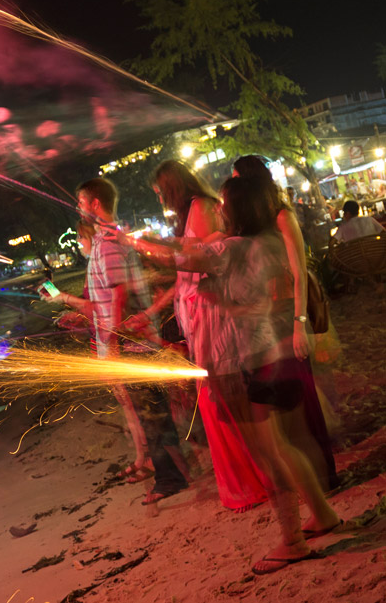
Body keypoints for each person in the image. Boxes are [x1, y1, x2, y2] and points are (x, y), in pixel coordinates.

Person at [125, 176, 340, 575]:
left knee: (268, 454)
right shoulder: (268, 242)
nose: (218, 208)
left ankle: (292, 541)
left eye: (225, 202)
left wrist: (132, 243)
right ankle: (323, 514)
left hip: (241, 360)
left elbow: (183, 260)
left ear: (240, 207)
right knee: (286, 445)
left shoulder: (234, 248)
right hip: (271, 352)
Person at [138, 160, 270, 512]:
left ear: (172, 186)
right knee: (213, 400)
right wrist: (154, 310)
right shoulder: (193, 212)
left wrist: (147, 247)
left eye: (161, 191)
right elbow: (184, 265)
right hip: (199, 316)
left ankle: (252, 482)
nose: (159, 198)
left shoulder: (202, 207)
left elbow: (192, 259)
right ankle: (245, 482)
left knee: (220, 399)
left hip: (212, 315)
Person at [75, 178, 188, 504]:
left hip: (131, 342)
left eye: (82, 202)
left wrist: (111, 339)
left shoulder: (109, 243)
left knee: (151, 412)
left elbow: (119, 293)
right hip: (130, 339)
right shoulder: (106, 241)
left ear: (95, 203)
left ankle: (172, 478)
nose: (79, 208)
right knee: (150, 411)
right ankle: (171, 473)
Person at [233, 156, 337, 491]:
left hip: (288, 317)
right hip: (268, 322)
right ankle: (309, 479)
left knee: (303, 400)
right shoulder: (256, 221)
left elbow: (298, 274)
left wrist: (299, 325)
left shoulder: (282, 215)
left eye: (235, 179)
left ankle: (325, 480)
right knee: (289, 407)